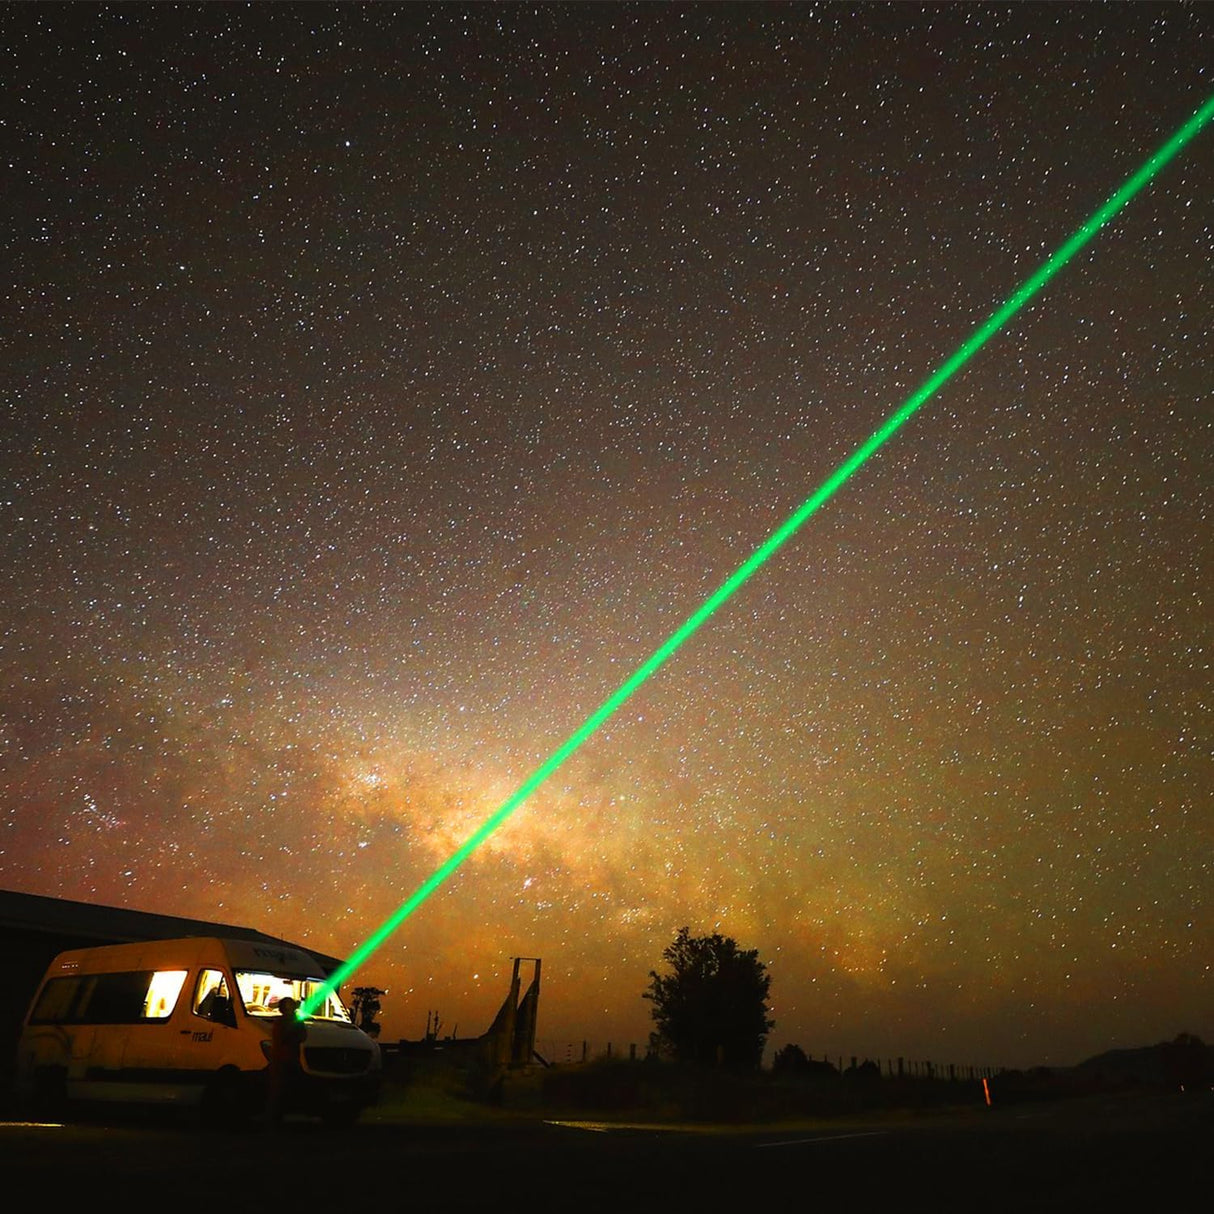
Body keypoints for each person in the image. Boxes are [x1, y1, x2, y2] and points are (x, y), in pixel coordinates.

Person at [266, 996, 307, 1126]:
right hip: (283, 1059)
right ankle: (275, 1117)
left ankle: (278, 1116)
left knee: (283, 1088)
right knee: (279, 1089)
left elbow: (302, 1036)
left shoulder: (288, 1022)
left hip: (288, 1058)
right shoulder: (282, 1023)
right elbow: (295, 1037)